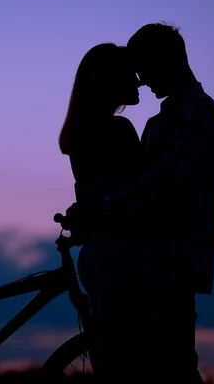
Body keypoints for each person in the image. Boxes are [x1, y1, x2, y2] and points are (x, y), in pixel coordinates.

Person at [72, 23, 214, 383]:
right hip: (149, 265)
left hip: (174, 263)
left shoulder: (197, 113)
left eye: (145, 68)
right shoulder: (162, 121)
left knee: (174, 369)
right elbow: (144, 188)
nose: (141, 80)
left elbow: (161, 186)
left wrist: (96, 212)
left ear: (168, 60)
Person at [58, 43, 159, 382]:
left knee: (112, 361)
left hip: (98, 255)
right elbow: (143, 194)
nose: (140, 80)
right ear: (111, 80)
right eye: (130, 73)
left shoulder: (79, 137)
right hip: (126, 256)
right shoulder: (119, 131)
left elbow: (94, 196)